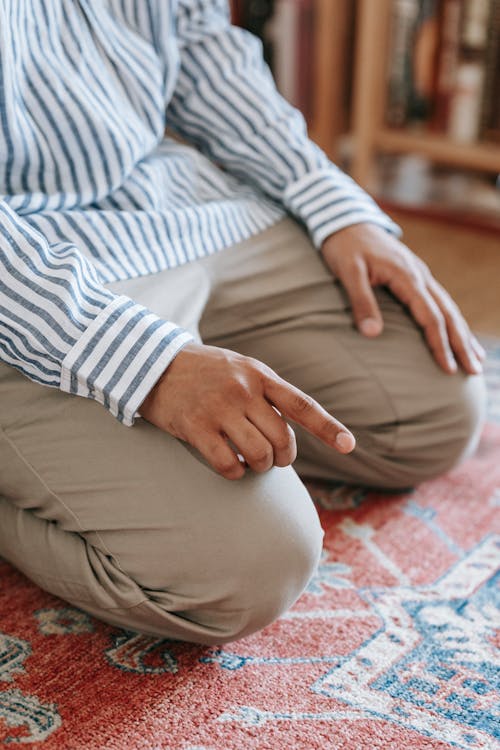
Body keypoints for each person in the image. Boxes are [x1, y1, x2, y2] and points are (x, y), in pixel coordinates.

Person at [0, 0, 486, 645]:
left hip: (164, 207)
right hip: (26, 270)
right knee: (247, 570)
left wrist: (339, 209)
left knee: (433, 411)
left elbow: (202, 50)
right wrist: (150, 363)